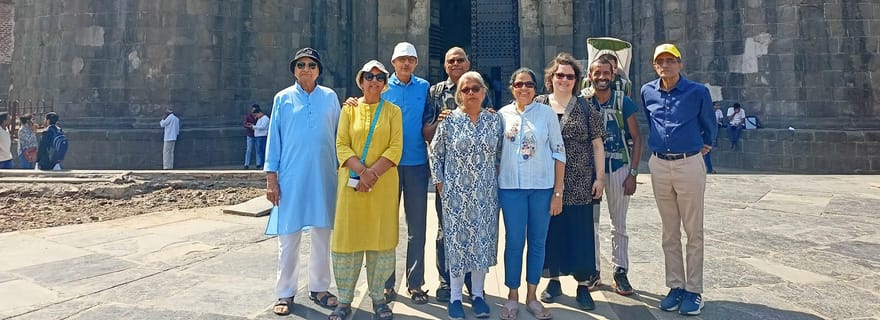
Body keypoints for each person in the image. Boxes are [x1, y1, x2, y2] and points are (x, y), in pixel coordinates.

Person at [264, 47, 340, 316]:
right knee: (289, 236)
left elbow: (340, 136)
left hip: (324, 176)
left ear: (319, 70)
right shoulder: (282, 99)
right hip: (291, 178)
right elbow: (274, 139)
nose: (305, 69)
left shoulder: (330, 98)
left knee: (322, 234)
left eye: (311, 65)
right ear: (294, 70)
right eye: (300, 65)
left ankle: (319, 287)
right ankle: (285, 293)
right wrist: (271, 178)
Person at [641, 43, 715, 316]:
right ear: (654, 66)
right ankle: (676, 286)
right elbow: (650, 120)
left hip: (688, 163)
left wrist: (704, 145)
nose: (666, 65)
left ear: (680, 64)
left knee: (693, 230)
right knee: (669, 231)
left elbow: (710, 124)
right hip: (660, 164)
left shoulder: (697, 92)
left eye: (671, 60)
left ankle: (694, 290)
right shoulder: (647, 91)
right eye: (660, 61)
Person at [331, 60, 402, 320]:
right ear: (360, 81)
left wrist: (372, 175)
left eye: (380, 77)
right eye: (369, 77)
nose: (374, 81)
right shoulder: (348, 110)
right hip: (352, 185)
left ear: (385, 83)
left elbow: (395, 148)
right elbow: (341, 145)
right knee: (347, 239)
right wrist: (363, 172)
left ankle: (378, 299)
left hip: (382, 185)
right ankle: (344, 300)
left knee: (380, 240)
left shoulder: (393, 111)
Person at [535, 53, 606, 310]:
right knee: (551, 232)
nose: (564, 79)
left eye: (569, 76)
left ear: (576, 80)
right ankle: (553, 280)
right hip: (546, 182)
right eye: (559, 75)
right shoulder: (538, 104)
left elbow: (598, 145)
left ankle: (583, 285)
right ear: (551, 78)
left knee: (580, 233)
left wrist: (600, 178)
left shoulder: (587, 106)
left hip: (579, 182)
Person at [421, 46, 492, 302]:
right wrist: (442, 121)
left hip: (478, 180)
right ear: (445, 65)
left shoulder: (479, 85)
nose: (456, 64)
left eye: (460, 60)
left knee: (477, 229)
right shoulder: (436, 92)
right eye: (450, 60)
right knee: (446, 229)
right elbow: (426, 133)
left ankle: (474, 284)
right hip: (450, 178)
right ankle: (446, 280)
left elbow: (491, 123)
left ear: (468, 62)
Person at [430, 71, 502, 320]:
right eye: (465, 89)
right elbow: (435, 154)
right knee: (458, 245)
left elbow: (502, 153)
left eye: (475, 89)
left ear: (484, 92)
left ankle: (479, 295)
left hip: (485, 194)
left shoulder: (494, 121)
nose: (471, 93)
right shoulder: (449, 122)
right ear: (458, 95)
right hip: (456, 195)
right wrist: (439, 184)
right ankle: (455, 297)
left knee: (481, 243)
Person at [497, 68, 565, 320]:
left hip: (541, 187)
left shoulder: (546, 114)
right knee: (514, 242)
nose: (523, 88)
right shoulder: (502, 115)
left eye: (528, 84)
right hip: (511, 188)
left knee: (537, 242)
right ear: (511, 87)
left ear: (536, 88)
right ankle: (512, 296)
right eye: (518, 84)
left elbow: (559, 152)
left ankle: (532, 295)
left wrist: (558, 192)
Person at [586, 55, 643, 296]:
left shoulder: (623, 101)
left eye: (605, 73)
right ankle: (593, 270)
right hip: (591, 172)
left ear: (613, 74)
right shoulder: (583, 102)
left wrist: (633, 173)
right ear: (590, 76)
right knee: (591, 224)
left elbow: (637, 137)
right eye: (596, 73)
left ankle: (620, 270)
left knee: (618, 223)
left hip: (619, 167)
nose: (601, 77)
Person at [705, 102, 725, 173]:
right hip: (706, 137)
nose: (718, 107)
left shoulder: (718, 113)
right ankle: (709, 169)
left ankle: (709, 169)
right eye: (716, 105)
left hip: (708, 137)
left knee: (707, 154)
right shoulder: (708, 113)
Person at [242, 104, 259, 169]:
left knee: (258, 150)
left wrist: (253, 125)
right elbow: (244, 124)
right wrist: (249, 126)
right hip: (250, 135)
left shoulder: (259, 117)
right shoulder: (248, 116)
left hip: (257, 135)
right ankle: (246, 164)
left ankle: (258, 164)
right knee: (249, 150)